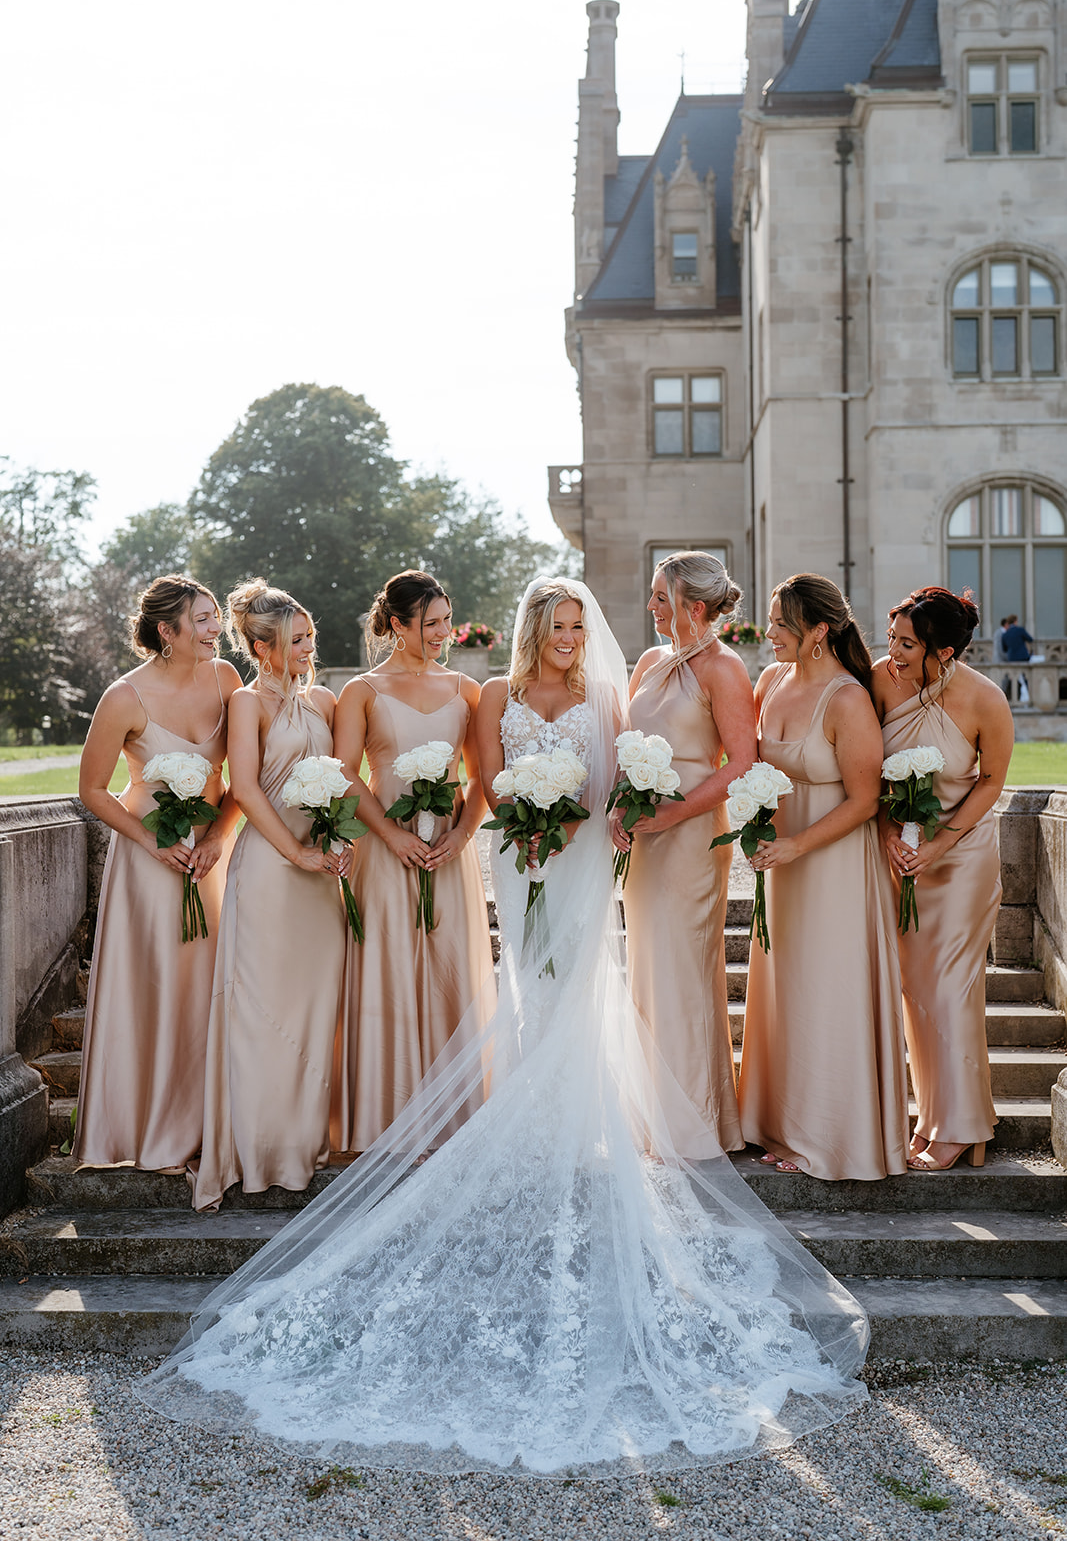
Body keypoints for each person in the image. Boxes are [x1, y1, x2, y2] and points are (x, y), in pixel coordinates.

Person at [137, 577, 869, 1477]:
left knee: (581, 986)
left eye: (577, 626)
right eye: (556, 626)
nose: (569, 638)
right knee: (526, 988)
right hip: (518, 858)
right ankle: (526, 1119)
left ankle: (580, 1124)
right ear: (532, 631)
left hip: (581, 852)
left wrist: (578, 823)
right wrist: (518, 821)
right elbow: (484, 773)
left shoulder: (605, 694)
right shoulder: (496, 695)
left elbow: (607, 781)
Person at [737, 574, 908, 1180]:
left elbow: (865, 801)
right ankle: (776, 1122)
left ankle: (829, 1137)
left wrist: (795, 846)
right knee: (785, 987)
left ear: (818, 632)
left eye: (782, 623)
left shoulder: (847, 699)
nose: (769, 633)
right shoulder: (769, 682)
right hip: (779, 863)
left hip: (830, 862)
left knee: (826, 990)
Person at [75, 576, 242, 1171]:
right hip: (149, 864)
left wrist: (219, 837)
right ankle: (144, 1129)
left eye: (215, 615)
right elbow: (92, 790)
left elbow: (239, 781)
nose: (214, 628)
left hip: (207, 862)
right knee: (158, 990)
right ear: (166, 633)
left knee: (206, 990)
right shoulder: (124, 697)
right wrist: (152, 844)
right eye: (201, 620)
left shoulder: (226, 680)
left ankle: (205, 1126)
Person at [192, 582, 349, 1211]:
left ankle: (305, 1144)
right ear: (261, 647)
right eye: (296, 640)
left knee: (314, 1009)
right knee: (262, 1014)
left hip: (320, 876)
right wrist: (297, 851)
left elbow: (343, 780)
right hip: (269, 870)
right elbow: (247, 790)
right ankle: (257, 1153)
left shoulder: (328, 702)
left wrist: (338, 842)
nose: (310, 648)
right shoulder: (248, 704)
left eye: (310, 637)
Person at [329, 571, 493, 1153]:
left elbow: (480, 778)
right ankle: (386, 1115)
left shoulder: (466, 690)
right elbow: (345, 773)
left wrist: (465, 834)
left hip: (447, 852)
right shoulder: (361, 692)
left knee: (451, 969)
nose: (444, 633)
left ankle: (458, 1118)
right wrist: (391, 837)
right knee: (389, 970)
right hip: (386, 848)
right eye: (432, 624)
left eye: (448, 620)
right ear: (397, 625)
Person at [611, 552, 756, 1154]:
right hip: (644, 844)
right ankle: (650, 1117)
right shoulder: (648, 661)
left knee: (682, 974)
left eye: (659, 597)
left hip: (693, 837)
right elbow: (624, 744)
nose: (650, 606)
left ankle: (692, 1125)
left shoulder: (724, 669)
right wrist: (623, 804)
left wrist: (671, 812)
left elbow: (743, 763)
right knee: (649, 971)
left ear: (694, 608)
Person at [873, 586, 1014, 1172]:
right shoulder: (882, 682)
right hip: (900, 856)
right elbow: (864, 763)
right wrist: (886, 830)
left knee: (951, 987)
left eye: (908, 644)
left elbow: (990, 781)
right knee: (914, 989)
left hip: (961, 857)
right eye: (893, 639)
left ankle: (961, 1127)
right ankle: (934, 1115)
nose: (894, 654)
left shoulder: (986, 700)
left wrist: (942, 842)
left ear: (946, 650)